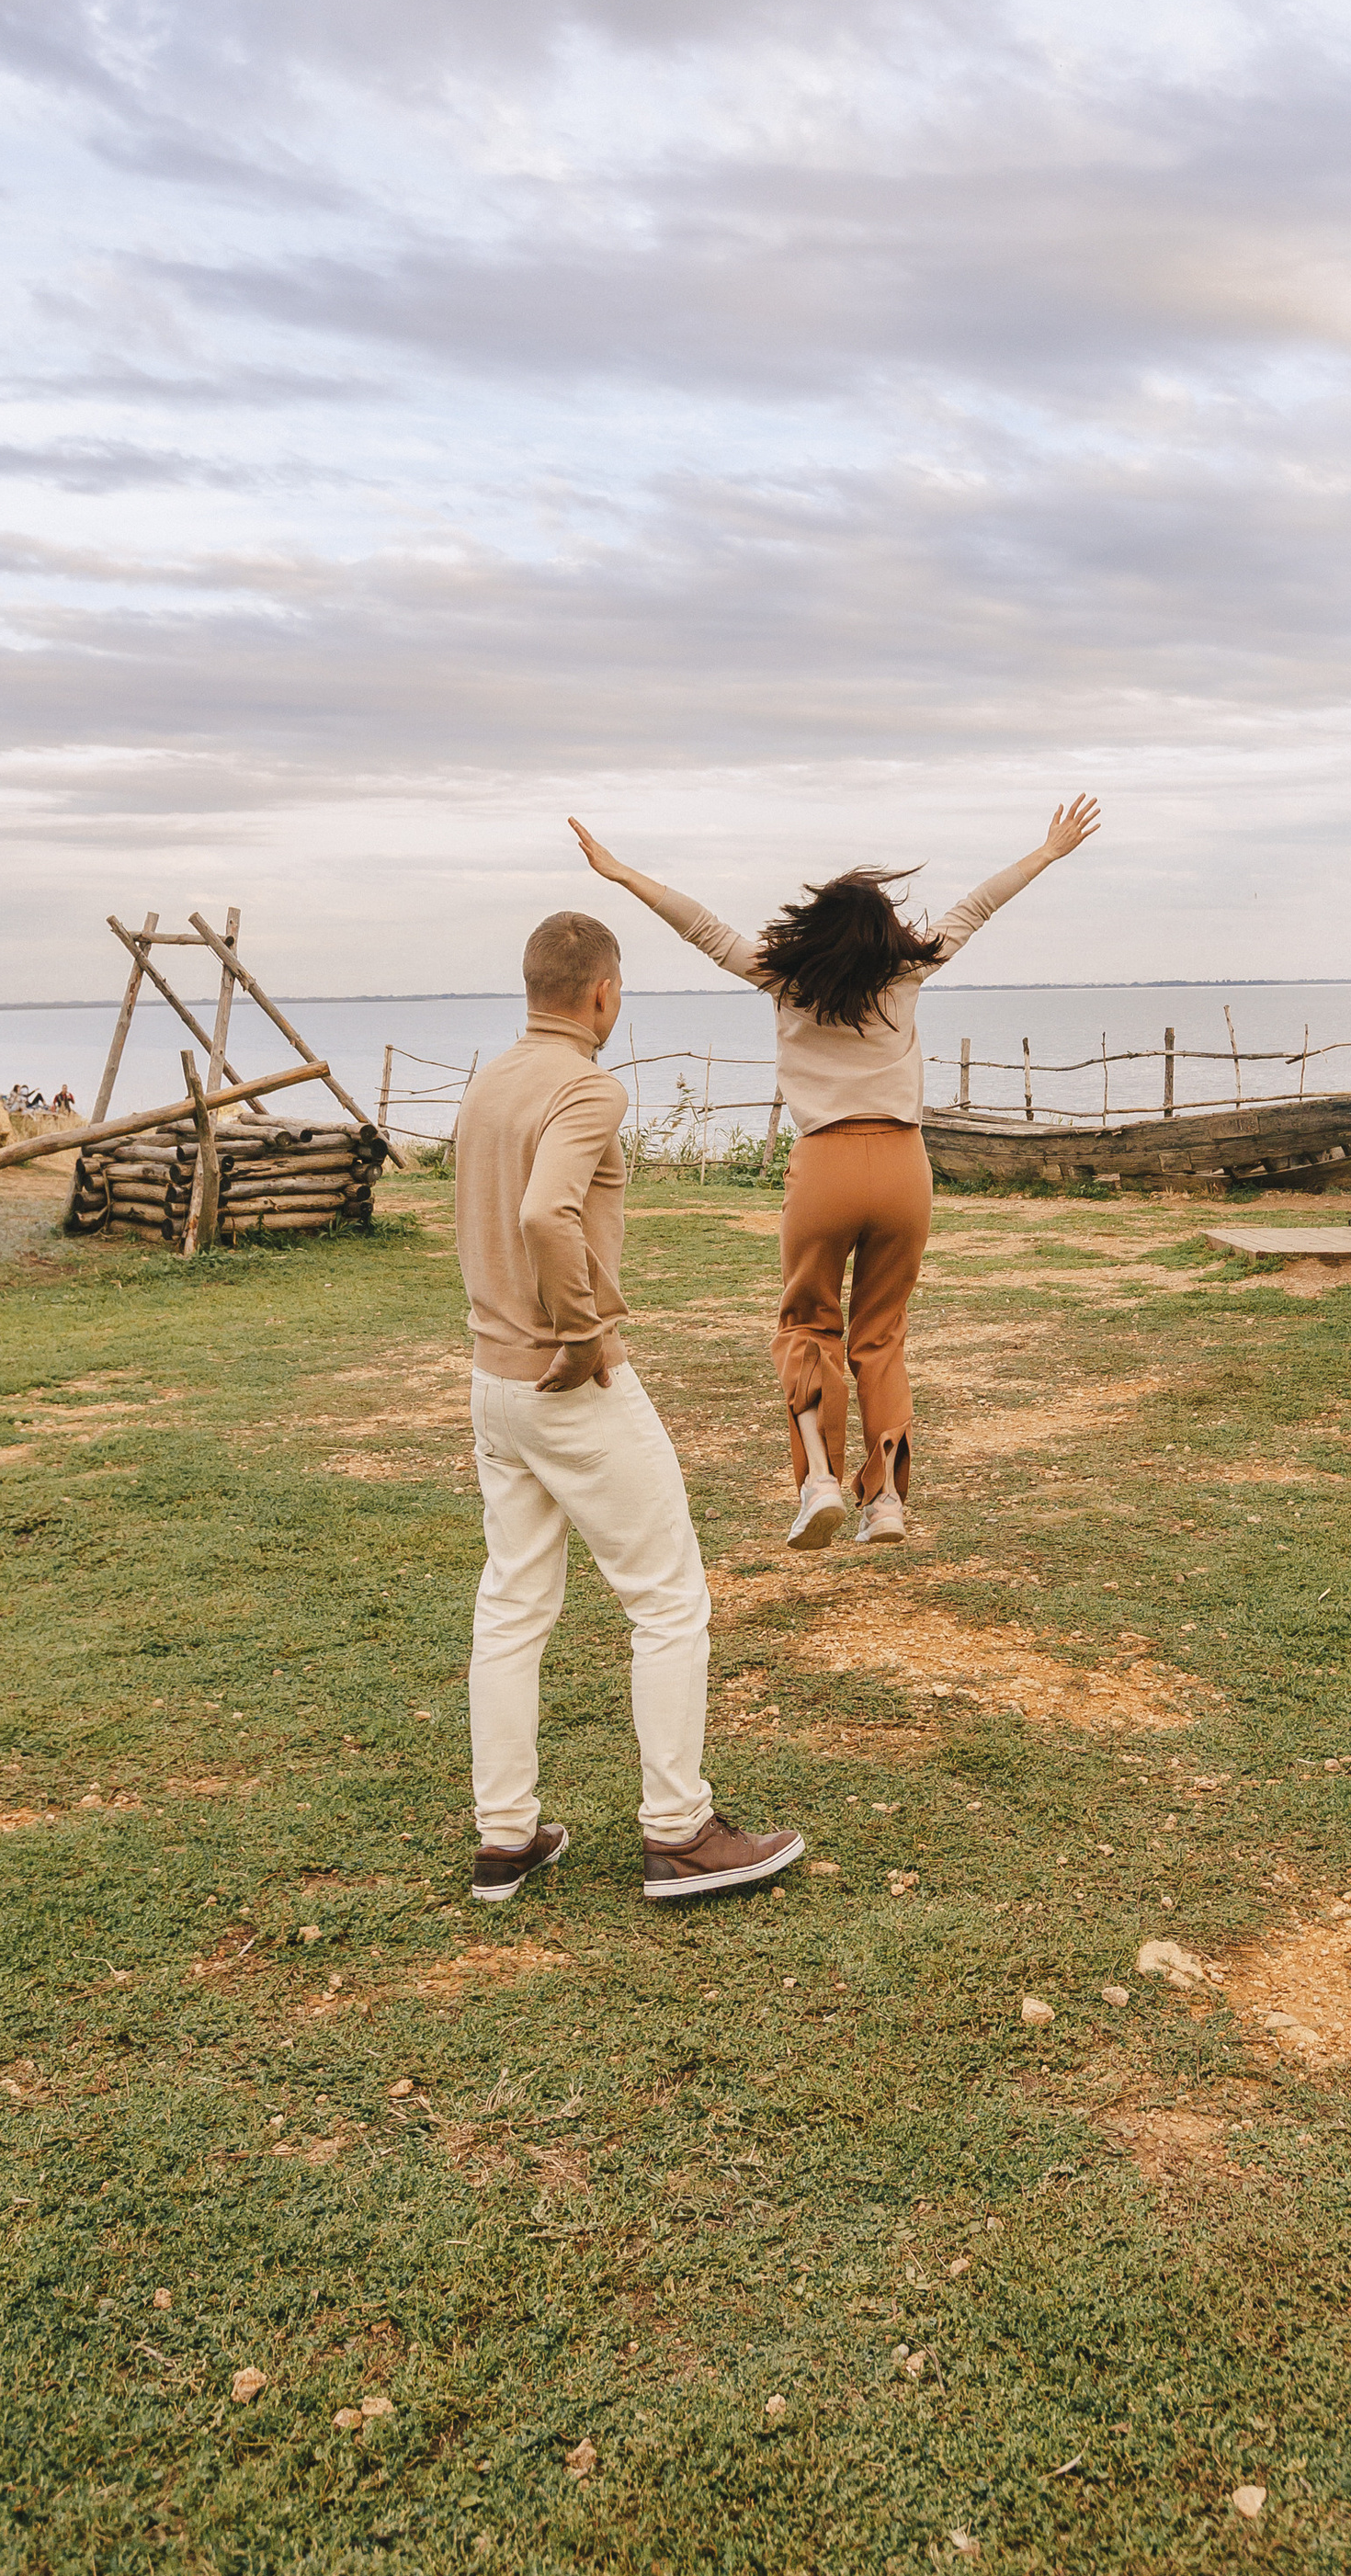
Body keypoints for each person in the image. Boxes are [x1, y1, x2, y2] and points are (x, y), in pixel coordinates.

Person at [567, 800, 1101, 1550]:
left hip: (825, 1165)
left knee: (807, 1326)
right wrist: (1046, 852)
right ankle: (885, 1502)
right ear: (885, 931)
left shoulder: (784, 978)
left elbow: (702, 927)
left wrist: (623, 874)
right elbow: (978, 905)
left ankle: (819, 1480)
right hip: (904, 1166)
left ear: (815, 929)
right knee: (881, 1337)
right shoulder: (909, 971)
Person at [453, 904, 804, 1905]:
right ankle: (679, 1831)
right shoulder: (589, 1087)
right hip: (567, 1381)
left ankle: (505, 1837)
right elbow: (543, 1213)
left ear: (533, 989)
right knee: (668, 1599)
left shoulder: (489, 1082)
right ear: (604, 994)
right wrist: (580, 1330)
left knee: (512, 1606)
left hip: (491, 1381)